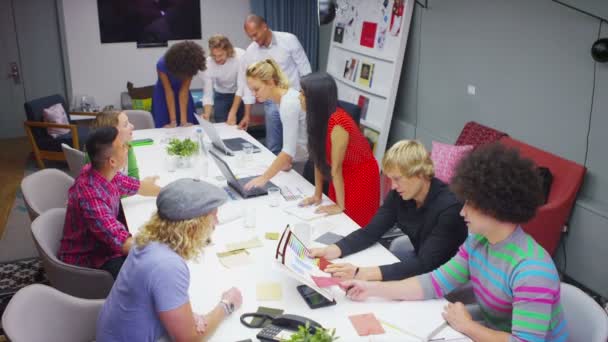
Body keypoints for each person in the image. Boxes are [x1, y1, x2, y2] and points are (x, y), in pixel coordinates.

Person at [341, 143, 569, 341]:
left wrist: (468, 326)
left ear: (495, 207)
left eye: (470, 203)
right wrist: (370, 289)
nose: (462, 211)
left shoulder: (532, 270)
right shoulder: (478, 242)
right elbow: (433, 283)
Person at [97, 179, 243, 341]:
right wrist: (227, 305)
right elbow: (188, 339)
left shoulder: (147, 240)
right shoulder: (168, 266)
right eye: (213, 216)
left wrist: (183, 317)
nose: (216, 223)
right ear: (193, 225)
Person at [310, 140, 467, 281]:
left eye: (397, 179)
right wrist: (332, 250)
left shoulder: (450, 207)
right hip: (422, 262)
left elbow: (426, 265)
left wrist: (360, 273)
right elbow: (370, 232)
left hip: (447, 278)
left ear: (420, 174)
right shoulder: (400, 195)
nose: (392, 186)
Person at [58, 127, 161, 279]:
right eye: (123, 146)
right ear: (112, 161)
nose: (127, 148)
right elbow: (124, 243)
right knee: (146, 276)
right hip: (88, 261)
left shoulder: (103, 172)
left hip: (103, 245)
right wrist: (168, 248)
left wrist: (169, 194)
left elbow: (137, 186)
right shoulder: (91, 197)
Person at [298, 72, 380, 227]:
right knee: (336, 222)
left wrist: (340, 205)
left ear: (316, 99)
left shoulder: (338, 122)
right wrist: (317, 195)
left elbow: (335, 168)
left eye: (303, 94)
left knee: (353, 224)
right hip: (341, 175)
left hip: (359, 175)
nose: (299, 97)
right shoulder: (316, 117)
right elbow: (318, 158)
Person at [239, 14, 311, 154]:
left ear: (264, 27)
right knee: (273, 145)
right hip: (272, 101)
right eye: (250, 36)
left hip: (295, 98)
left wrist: (305, 97)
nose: (254, 39)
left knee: (297, 144)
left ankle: (298, 173)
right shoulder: (251, 51)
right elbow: (249, 85)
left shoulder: (289, 40)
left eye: (255, 34)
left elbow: (305, 70)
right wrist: (247, 115)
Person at [243, 59, 308, 190]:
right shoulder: (282, 99)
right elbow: (293, 137)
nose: (254, 94)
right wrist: (285, 161)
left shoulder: (288, 103)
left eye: (256, 89)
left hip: (309, 161)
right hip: (301, 158)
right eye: (251, 90)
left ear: (271, 82)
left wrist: (264, 177)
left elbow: (288, 151)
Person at [152, 40, 206, 128]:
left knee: (187, 127)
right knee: (166, 127)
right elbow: (168, 92)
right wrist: (173, 121)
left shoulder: (191, 64)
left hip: (183, 95)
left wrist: (183, 121)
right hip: (164, 94)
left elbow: (184, 91)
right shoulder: (161, 64)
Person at [199, 35, 247, 125]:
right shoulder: (207, 64)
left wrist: (233, 113)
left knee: (239, 125)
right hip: (220, 95)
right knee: (221, 125)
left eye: (220, 55)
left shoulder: (240, 56)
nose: (217, 59)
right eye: (214, 55)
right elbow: (208, 94)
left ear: (228, 51)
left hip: (238, 94)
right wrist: (206, 115)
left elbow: (241, 87)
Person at [87, 110, 139, 179]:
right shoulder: (96, 152)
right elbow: (97, 182)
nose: (132, 126)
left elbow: (134, 175)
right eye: (125, 125)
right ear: (111, 133)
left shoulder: (127, 144)